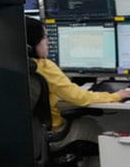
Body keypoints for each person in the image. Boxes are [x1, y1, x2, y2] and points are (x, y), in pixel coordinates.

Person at [27, 16, 130, 144]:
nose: (48, 42)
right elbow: (79, 97)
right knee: (93, 127)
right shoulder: (44, 67)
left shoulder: (16, 68)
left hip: (28, 139)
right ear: (32, 44)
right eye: (44, 37)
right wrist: (118, 95)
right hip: (52, 135)